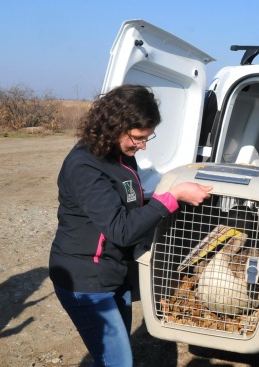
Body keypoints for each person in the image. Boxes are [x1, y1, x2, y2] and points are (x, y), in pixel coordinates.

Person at [48, 84, 212, 367]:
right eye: (138, 137)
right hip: (85, 279)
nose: (143, 146)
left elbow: (130, 206)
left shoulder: (122, 157)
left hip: (114, 273)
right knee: (118, 362)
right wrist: (170, 198)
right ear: (114, 126)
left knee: (115, 357)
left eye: (148, 137)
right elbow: (119, 228)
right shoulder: (84, 166)